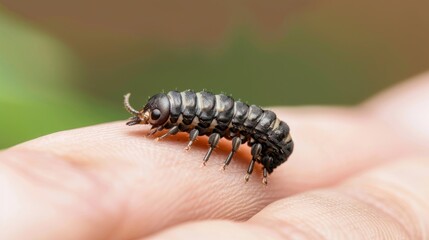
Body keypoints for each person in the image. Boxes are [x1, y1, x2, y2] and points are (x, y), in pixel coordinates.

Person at [1, 73, 429, 240]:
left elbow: (247, 138)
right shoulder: (190, 119)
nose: (144, 120)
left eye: (149, 116)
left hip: (265, 133)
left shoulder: (263, 143)